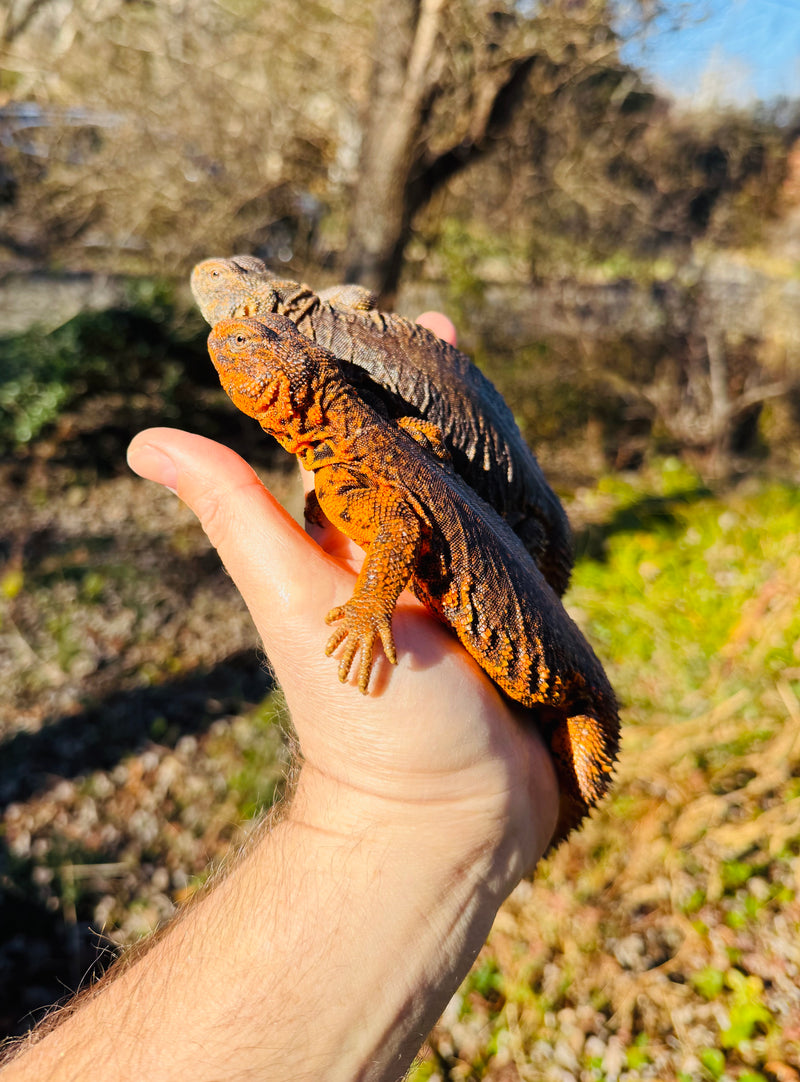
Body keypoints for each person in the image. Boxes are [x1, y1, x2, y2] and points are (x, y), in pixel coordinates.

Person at [0, 314, 559, 1082]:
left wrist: (370, 610)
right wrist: (422, 813)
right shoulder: (334, 442)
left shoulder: (351, 440)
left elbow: (399, 524)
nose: (228, 347)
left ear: (292, 387)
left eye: (254, 349)